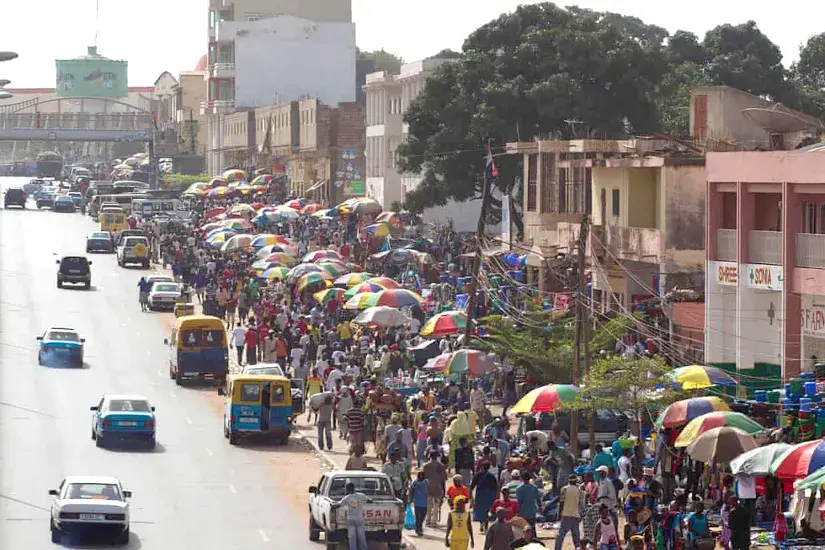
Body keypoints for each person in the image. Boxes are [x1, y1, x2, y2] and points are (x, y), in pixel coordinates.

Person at [340, 482, 370, 550]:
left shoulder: (346, 498)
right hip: (359, 519)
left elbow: (340, 504)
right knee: (361, 536)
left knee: (352, 537)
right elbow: (369, 500)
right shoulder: (361, 495)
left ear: (347, 489)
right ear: (354, 488)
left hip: (350, 519)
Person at [555, 474, 582, 550]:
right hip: (575, 515)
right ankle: (578, 548)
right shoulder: (578, 490)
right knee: (576, 536)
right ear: (576, 481)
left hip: (566, 514)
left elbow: (561, 502)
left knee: (561, 535)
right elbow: (579, 504)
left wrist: (559, 514)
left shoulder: (564, 489)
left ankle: (557, 548)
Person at [471, 461, 499, 533]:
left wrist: (471, 496)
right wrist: (496, 497)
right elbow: (496, 487)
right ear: (489, 467)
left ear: (482, 466)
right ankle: (486, 526)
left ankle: (481, 524)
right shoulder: (492, 476)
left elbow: (472, 486)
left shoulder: (478, 475)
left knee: (480, 510)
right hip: (489, 495)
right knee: (487, 510)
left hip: (480, 495)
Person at [424, 451, 447, 527]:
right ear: (437, 457)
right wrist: (444, 491)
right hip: (437, 487)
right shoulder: (441, 466)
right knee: (436, 505)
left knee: (428, 505)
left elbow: (422, 477)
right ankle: (434, 521)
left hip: (428, 486)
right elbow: (443, 479)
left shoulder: (426, 465)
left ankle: (428, 520)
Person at [515, 471, 540, 538]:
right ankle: (534, 540)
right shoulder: (534, 487)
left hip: (523, 512)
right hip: (532, 511)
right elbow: (538, 499)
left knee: (523, 530)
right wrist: (540, 508)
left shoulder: (519, 489)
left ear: (522, 478)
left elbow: (519, 502)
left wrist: (517, 512)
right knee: (532, 528)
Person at [411, 471, 429, 536]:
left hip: (424, 503)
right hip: (417, 503)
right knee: (418, 517)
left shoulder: (426, 482)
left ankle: (419, 527)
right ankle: (418, 528)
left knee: (422, 517)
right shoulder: (415, 483)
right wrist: (410, 499)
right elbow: (412, 491)